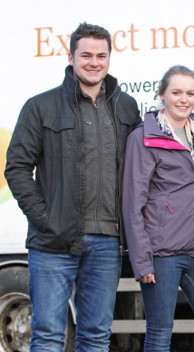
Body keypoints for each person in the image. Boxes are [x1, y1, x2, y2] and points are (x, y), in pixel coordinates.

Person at [4, 22, 141, 351]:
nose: (94, 62)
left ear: (109, 58)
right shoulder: (41, 106)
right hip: (54, 242)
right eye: (86, 55)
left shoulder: (126, 108)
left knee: (96, 336)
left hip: (107, 242)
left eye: (101, 55)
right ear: (71, 57)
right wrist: (45, 219)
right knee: (49, 335)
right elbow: (17, 167)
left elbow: (139, 169)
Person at [122, 65, 194, 352]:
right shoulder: (143, 138)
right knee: (159, 337)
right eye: (176, 92)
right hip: (162, 253)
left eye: (190, 93)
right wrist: (142, 260)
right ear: (162, 94)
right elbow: (133, 201)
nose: (184, 99)